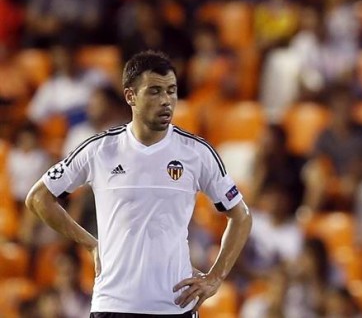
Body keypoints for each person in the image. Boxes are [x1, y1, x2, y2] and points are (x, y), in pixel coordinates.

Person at [25, 50, 253, 317]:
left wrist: (215, 277)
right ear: (130, 96)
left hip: (175, 305)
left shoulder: (196, 153)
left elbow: (241, 216)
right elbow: (38, 198)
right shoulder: (100, 150)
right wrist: (90, 243)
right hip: (113, 304)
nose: (166, 100)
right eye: (155, 91)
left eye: (171, 91)